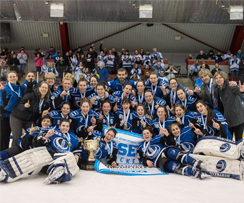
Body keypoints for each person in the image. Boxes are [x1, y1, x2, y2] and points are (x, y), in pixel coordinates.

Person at [0, 118, 80, 184]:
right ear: (59, 126)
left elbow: (77, 147)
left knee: (69, 156)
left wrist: (76, 154)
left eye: (67, 126)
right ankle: (5, 172)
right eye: (63, 125)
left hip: (56, 157)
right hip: (36, 151)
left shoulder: (72, 138)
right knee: (24, 157)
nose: (65, 127)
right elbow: (36, 143)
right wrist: (45, 136)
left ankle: (57, 171)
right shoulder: (42, 130)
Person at [137, 127, 208, 179]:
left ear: (151, 134)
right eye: (144, 134)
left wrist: (167, 135)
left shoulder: (157, 138)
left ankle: (196, 163)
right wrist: (146, 161)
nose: (146, 135)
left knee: (173, 152)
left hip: (164, 151)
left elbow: (172, 143)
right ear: (142, 136)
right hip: (159, 161)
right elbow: (140, 158)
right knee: (173, 166)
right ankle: (195, 173)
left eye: (147, 133)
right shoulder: (140, 147)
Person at [10, 82, 51, 147]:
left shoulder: (46, 101)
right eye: (42, 87)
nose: (44, 89)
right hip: (17, 118)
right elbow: (20, 105)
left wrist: (43, 115)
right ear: (39, 88)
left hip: (29, 121)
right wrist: (24, 106)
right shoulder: (31, 95)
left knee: (33, 134)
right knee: (17, 137)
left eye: (46, 88)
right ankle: (14, 154)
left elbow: (38, 116)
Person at [213, 71, 244, 141]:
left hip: (238, 118)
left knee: (238, 140)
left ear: (224, 78)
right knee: (228, 140)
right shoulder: (217, 89)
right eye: (216, 78)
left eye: (220, 77)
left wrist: (242, 91)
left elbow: (240, 93)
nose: (218, 79)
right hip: (227, 119)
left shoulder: (231, 85)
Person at [0, 71, 23, 150]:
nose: (12, 78)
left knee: (16, 136)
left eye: (14, 76)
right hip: (5, 116)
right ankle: (2, 153)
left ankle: (13, 152)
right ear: (7, 78)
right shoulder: (4, 88)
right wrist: (2, 92)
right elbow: (3, 103)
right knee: (4, 135)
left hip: (16, 116)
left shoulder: (20, 88)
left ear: (17, 77)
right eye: (10, 77)